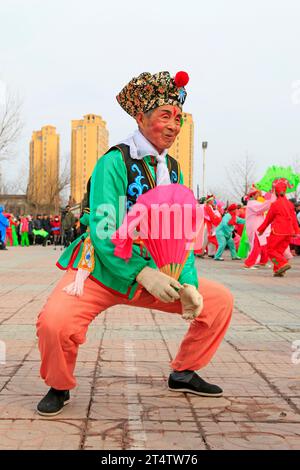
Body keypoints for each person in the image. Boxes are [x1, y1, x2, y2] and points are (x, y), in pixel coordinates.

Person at [36, 70, 233, 416]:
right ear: (141, 117)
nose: (174, 125)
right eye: (165, 116)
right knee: (55, 323)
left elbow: (177, 231)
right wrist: (142, 273)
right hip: (102, 271)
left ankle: (184, 371)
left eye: (179, 118)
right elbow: (103, 228)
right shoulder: (114, 162)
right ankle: (59, 384)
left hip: (158, 274)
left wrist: (186, 282)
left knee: (218, 302)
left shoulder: (173, 169)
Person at [258, 180, 300, 277]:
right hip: (289, 232)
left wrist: (261, 230)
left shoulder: (275, 205)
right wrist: (296, 231)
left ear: (276, 192)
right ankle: (278, 270)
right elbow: (294, 219)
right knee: (279, 251)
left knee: (270, 250)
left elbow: (268, 219)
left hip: (278, 231)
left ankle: (282, 264)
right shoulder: (290, 205)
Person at [243, 188, 275, 269]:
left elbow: (264, 205)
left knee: (264, 245)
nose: (259, 195)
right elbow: (263, 207)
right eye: (257, 193)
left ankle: (262, 262)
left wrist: (271, 195)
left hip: (259, 227)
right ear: (253, 195)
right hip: (255, 227)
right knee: (256, 246)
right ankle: (248, 264)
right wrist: (270, 198)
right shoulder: (251, 204)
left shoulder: (255, 203)